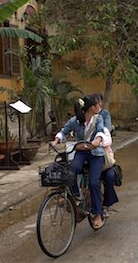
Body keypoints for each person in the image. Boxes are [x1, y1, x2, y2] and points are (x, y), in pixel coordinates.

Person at [52, 95, 106, 229]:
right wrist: (57, 140)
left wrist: (97, 141)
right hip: (81, 152)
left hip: (96, 154)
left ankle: (98, 214)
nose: (98, 107)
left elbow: (100, 132)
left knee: (94, 182)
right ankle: (77, 195)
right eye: (95, 105)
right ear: (90, 108)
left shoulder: (98, 119)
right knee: (71, 170)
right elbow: (63, 132)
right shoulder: (75, 121)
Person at [94, 94, 118, 212]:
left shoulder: (104, 115)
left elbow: (107, 129)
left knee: (109, 176)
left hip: (103, 151)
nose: (95, 106)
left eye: (97, 103)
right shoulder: (83, 117)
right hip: (89, 151)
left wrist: (99, 139)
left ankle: (105, 205)